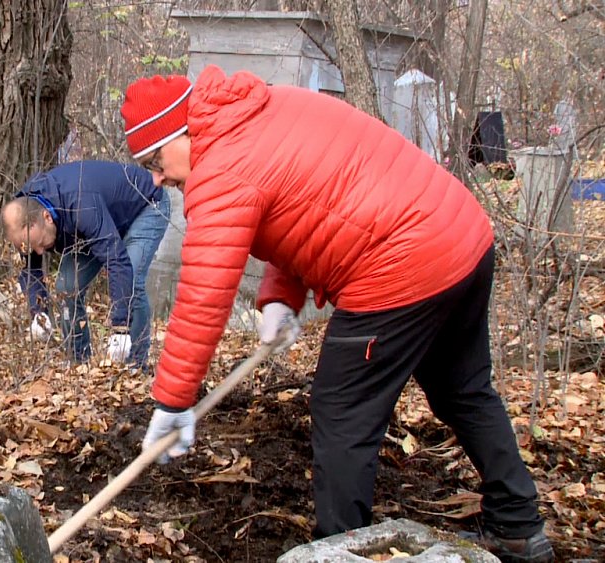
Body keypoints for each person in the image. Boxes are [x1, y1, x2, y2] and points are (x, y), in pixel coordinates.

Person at [121, 66, 553, 562]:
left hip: (402, 263)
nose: (157, 177)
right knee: (464, 389)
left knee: (341, 411)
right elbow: (314, 198)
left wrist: (173, 402)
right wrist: (280, 297)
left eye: (156, 159)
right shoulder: (258, 111)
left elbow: (203, 293)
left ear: (183, 131)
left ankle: (338, 551)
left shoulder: (220, 166)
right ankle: (520, 528)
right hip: (462, 236)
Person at [1, 160, 170, 370]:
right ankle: (78, 362)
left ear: (47, 218)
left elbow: (117, 260)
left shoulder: (81, 203)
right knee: (67, 287)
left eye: (41, 243)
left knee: (132, 279)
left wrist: (120, 327)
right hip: (96, 225)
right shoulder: (24, 217)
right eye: (32, 247)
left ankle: (135, 364)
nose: (40, 252)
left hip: (145, 205)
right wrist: (39, 311)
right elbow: (31, 268)